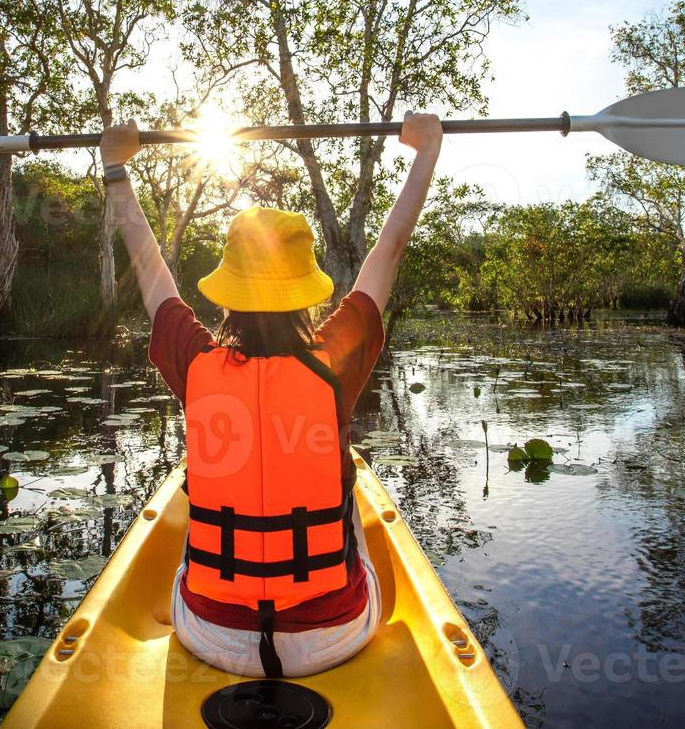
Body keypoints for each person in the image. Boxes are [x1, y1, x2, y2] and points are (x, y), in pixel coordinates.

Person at [99, 111, 443, 679]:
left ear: (228, 295)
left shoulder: (198, 363)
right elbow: (390, 248)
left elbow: (149, 268)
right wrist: (426, 151)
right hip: (334, 636)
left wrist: (115, 167)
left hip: (211, 635)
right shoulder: (332, 363)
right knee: (346, 489)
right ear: (305, 293)